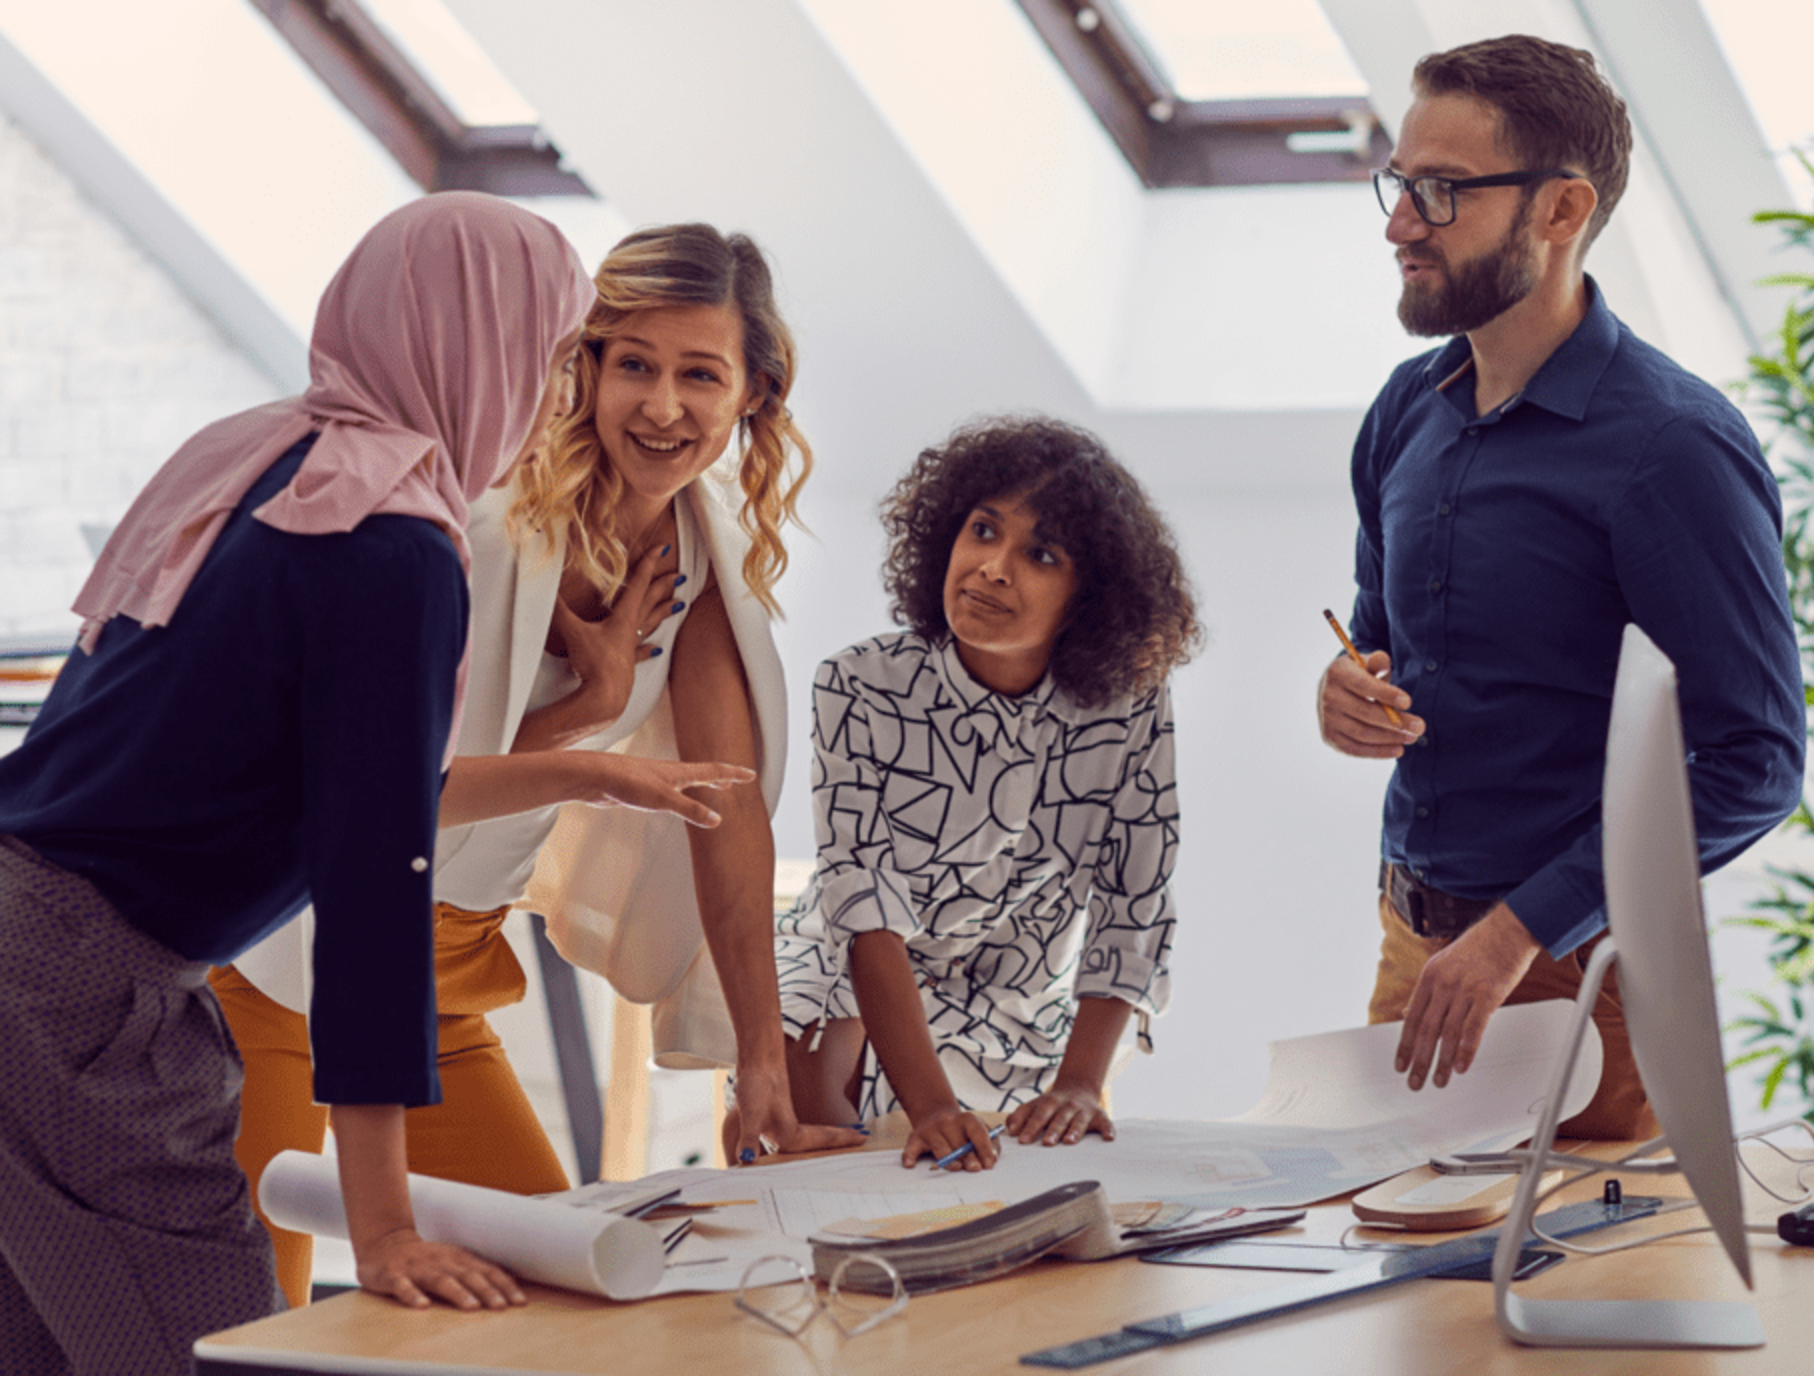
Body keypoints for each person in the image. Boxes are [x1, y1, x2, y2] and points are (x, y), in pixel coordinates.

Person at [0, 193, 616, 1374]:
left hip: (20, 929)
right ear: (467, 336)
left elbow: (323, 786)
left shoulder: (264, 455)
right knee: (218, 1350)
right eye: (548, 356)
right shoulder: (390, 545)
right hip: (81, 987)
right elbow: (375, 880)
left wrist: (584, 758)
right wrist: (383, 1221)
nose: (556, 399)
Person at [212, 223, 862, 1305]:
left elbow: (725, 812)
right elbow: (375, 802)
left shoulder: (695, 557)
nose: (662, 405)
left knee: (571, 1289)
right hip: (279, 967)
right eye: (634, 365)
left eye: (700, 374)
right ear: (586, 369)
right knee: (242, 1316)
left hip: (441, 979)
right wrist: (590, 718)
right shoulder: (484, 524)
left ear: (754, 392)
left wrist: (758, 1063)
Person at [1315, 35, 1806, 1138]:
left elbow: (1754, 761)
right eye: (1399, 184)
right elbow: (1377, 638)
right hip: (1414, 960)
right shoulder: (1404, 407)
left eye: (1439, 192)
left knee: (1589, 1307)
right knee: (1396, 1303)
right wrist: (1343, 692)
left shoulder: (1673, 449)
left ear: (1559, 209)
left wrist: (1514, 930)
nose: (1400, 224)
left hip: (1585, 980)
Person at [777, 416, 1202, 1171]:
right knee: (810, 1086)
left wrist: (1081, 1083)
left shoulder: (1130, 703)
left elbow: (1137, 895)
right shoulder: (858, 685)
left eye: (1040, 554)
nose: (993, 568)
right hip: (855, 959)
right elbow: (864, 907)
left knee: (1026, 1164)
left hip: (1015, 990)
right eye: (981, 531)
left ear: (1087, 596)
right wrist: (932, 1105)